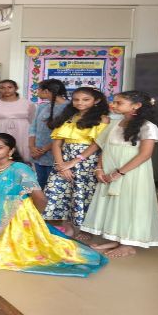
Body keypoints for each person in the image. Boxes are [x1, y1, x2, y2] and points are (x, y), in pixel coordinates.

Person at [0, 133, 106, 277]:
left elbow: (40, 198)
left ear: (11, 151)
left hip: (14, 213)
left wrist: (34, 217)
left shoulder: (19, 169)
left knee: (12, 251)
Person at [81, 91, 158, 257]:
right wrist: (99, 168)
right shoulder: (114, 124)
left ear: (136, 106)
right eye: (114, 102)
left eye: (119, 103)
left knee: (129, 205)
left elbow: (145, 154)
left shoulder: (147, 126)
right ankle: (116, 239)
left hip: (132, 173)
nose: (113, 105)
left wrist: (118, 173)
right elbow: (105, 148)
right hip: (110, 171)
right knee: (114, 206)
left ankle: (128, 244)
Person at [43, 87, 110, 236]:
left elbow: (97, 144)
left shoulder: (103, 119)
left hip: (86, 162)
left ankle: (84, 229)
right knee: (59, 191)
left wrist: (74, 161)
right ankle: (66, 226)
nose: (80, 102)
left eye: (86, 99)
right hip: (63, 161)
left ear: (96, 101)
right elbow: (56, 144)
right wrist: (61, 165)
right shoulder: (68, 117)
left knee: (82, 194)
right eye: (76, 99)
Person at [29, 79, 69, 189]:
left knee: (54, 186)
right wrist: (32, 147)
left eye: (38, 89)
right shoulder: (42, 106)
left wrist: (44, 150)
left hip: (57, 154)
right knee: (40, 183)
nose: (37, 92)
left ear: (46, 91)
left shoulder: (69, 108)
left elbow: (64, 135)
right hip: (37, 154)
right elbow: (33, 128)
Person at [0, 80, 36, 162]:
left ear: (16, 88)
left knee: (24, 153)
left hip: (23, 132)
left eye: (10, 87)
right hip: (0, 130)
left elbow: (33, 121)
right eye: (2, 88)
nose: (6, 90)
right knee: (1, 151)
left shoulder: (28, 103)